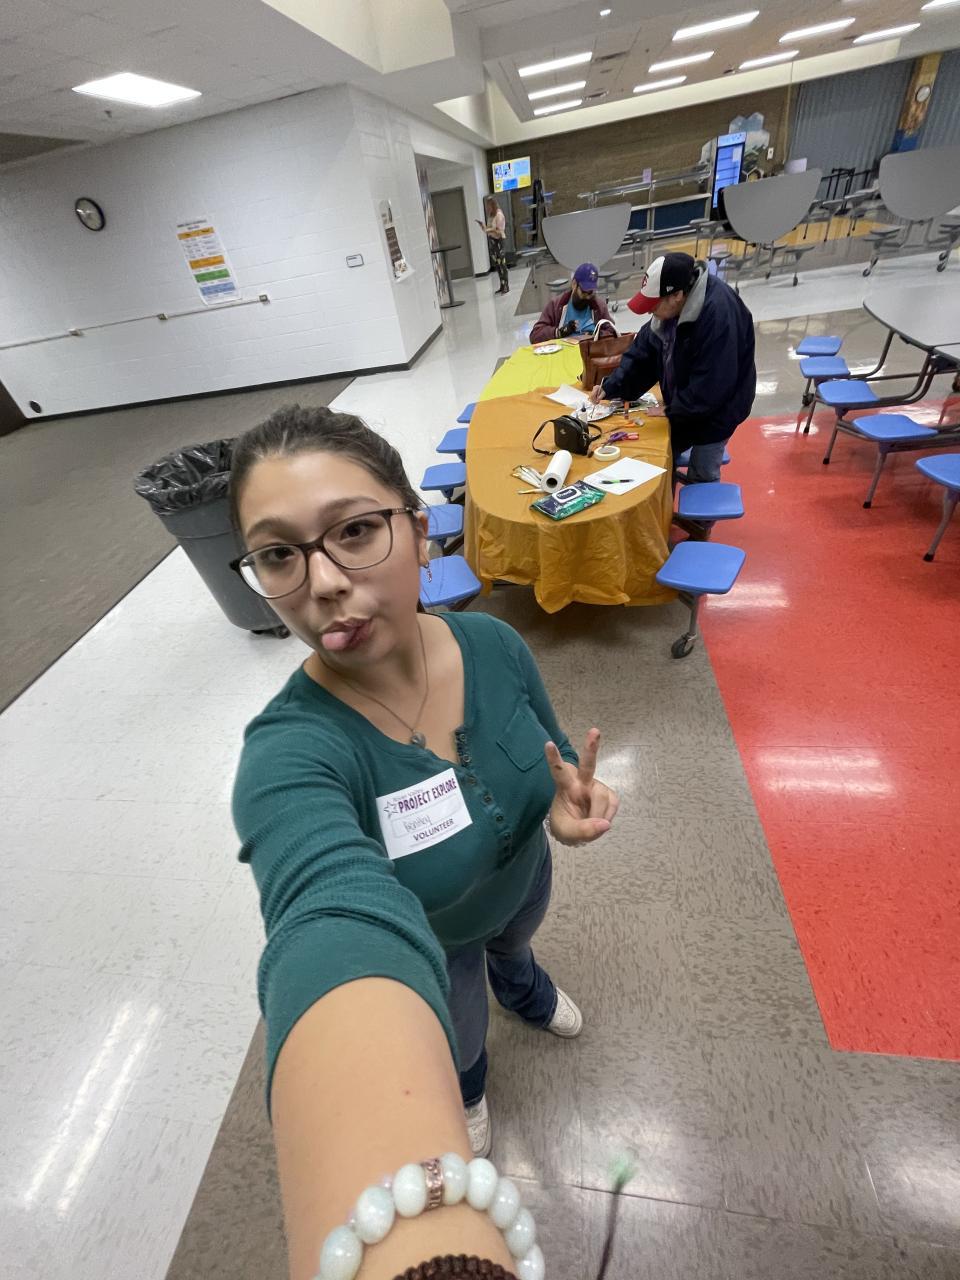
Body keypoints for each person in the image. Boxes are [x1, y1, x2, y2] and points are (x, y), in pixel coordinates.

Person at [229, 406, 618, 1279]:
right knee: (461, 1025)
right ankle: (470, 1087)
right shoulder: (293, 754)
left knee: (515, 943)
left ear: (419, 528)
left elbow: (554, 755)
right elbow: (323, 920)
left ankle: (525, 982)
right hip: (436, 944)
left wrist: (567, 808)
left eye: (355, 531)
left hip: (525, 879)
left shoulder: (494, 643)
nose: (323, 582)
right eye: (279, 554)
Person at [590, 252, 756, 482]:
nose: (649, 311)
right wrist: (611, 386)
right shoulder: (668, 310)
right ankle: (668, 492)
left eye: (653, 305)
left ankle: (700, 501)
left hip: (718, 412)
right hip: (688, 402)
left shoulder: (718, 314)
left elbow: (713, 386)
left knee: (702, 474)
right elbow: (642, 355)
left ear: (677, 295)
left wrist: (673, 409)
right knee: (666, 454)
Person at [529, 262, 613, 344]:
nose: (587, 297)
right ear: (574, 284)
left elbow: (612, 332)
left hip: (590, 351)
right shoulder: (556, 306)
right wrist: (559, 332)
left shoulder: (599, 307)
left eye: (590, 292)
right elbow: (535, 336)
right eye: (584, 292)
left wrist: (598, 335)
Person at [478, 197, 509, 294]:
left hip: (498, 241)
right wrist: (484, 227)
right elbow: (489, 229)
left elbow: (500, 231)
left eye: (489, 206)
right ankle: (502, 285)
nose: (487, 208)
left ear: (493, 205)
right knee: (497, 264)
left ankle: (506, 285)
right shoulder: (491, 216)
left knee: (502, 263)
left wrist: (489, 229)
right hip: (492, 241)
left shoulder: (499, 215)